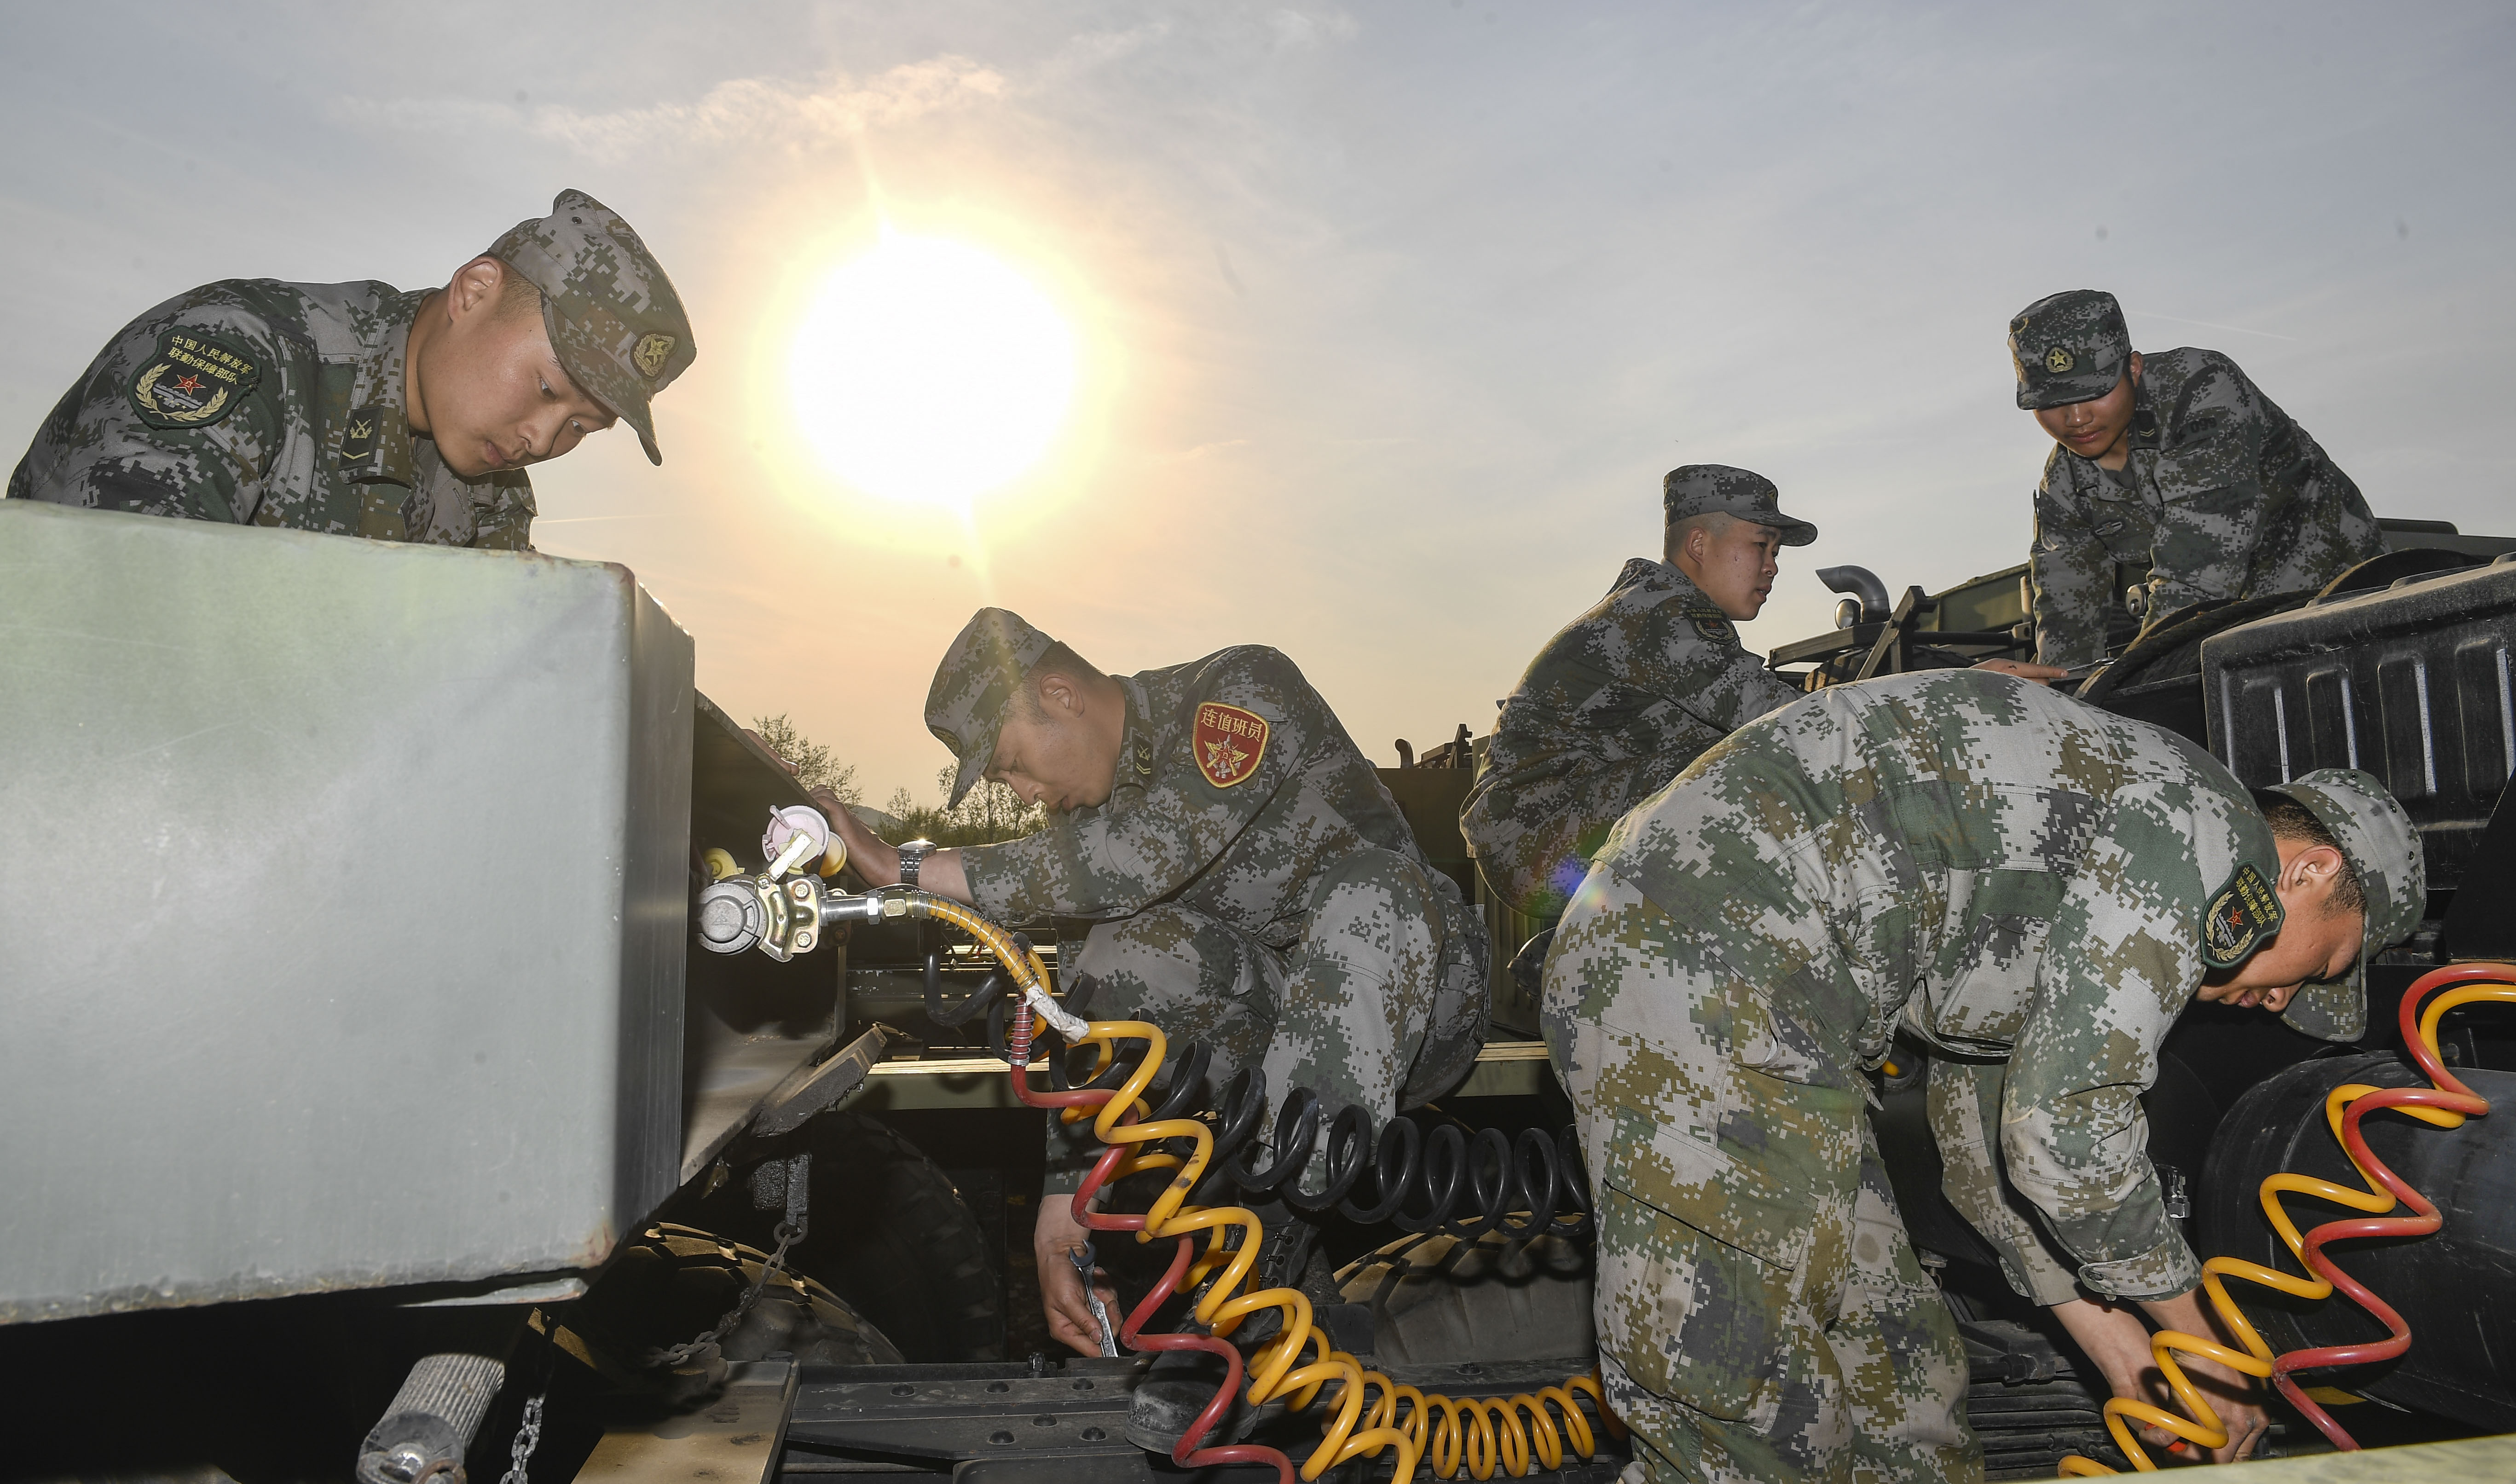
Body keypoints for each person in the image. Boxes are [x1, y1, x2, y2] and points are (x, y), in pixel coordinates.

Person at [1542, 668, 2423, 1483]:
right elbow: (2063, 1135)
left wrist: (2122, 1343)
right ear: (2310, 870)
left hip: (1769, 994)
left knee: (1900, 1378)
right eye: (2325, 966)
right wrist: (2204, 1346)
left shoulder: (2098, 869)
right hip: (1707, 959)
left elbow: (1991, 1152)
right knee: (1740, 1410)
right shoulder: (2205, 831)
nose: (2284, 1002)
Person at [811, 607, 1487, 1424]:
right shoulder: (1089, 818)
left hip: (1418, 993)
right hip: (1282, 1015)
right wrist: (1068, 1203)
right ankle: (1289, 1349)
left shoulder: (1237, 693)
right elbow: (1096, 987)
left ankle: (1248, 1312)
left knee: (1370, 889)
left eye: (1015, 766)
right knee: (1125, 949)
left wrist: (908, 868)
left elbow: (1143, 855)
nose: (1025, 795)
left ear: (1061, 694)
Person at [8, 189, 694, 548]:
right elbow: (107, 612)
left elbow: (498, 679)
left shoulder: (491, 487)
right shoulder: (244, 354)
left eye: (580, 425)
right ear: (474, 292)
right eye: (547, 388)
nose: (542, 440)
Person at [1460, 465, 1817, 925]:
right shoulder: (1662, 615)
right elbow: (1783, 719)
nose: (1772, 565)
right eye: (1759, 545)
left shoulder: (1657, 606)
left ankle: (1605, 935)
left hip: (1546, 826)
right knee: (1745, 755)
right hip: (1534, 835)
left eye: (1775, 551)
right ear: (1698, 545)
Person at [2002, 289, 2386, 674]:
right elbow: (2066, 621)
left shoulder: (2201, 390)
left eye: (2095, 391)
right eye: (2052, 402)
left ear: (2133, 368)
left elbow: (2195, 578)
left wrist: (2126, 678)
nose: (2076, 417)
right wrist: (2059, 694)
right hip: (2234, 647)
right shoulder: (2064, 485)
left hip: (2344, 609)